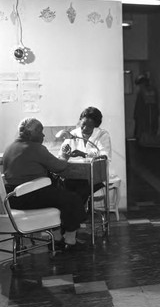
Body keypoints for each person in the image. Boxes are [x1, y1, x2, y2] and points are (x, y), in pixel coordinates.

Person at [3, 118, 87, 249]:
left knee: (58, 194)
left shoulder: (10, 147)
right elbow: (59, 166)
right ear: (33, 132)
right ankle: (70, 240)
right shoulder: (36, 148)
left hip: (11, 198)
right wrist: (65, 156)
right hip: (28, 196)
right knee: (72, 199)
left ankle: (56, 237)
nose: (43, 135)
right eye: (41, 131)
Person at [59, 107, 111, 205]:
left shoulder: (102, 135)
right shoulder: (73, 134)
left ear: (95, 126)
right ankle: (76, 214)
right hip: (75, 175)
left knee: (79, 191)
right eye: (83, 125)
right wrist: (65, 153)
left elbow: (105, 156)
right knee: (63, 187)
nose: (84, 128)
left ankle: (78, 215)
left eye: (89, 126)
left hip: (94, 177)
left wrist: (84, 154)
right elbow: (62, 153)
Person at [134, 73, 159, 141]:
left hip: (145, 117)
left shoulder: (142, 92)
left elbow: (139, 108)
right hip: (150, 116)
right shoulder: (152, 90)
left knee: (145, 132)